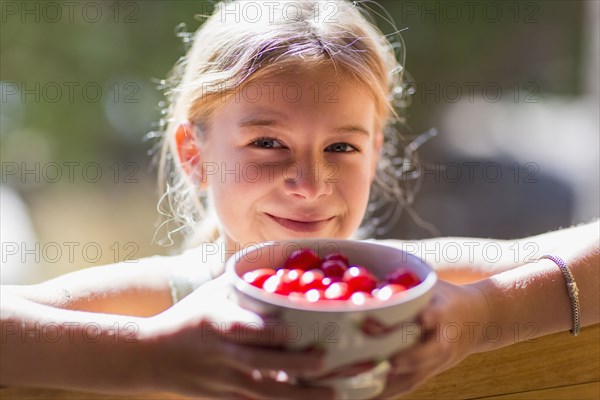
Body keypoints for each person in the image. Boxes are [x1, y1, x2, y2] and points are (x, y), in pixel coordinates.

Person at [1, 1, 598, 399]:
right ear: (194, 154)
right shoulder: (166, 301)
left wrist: (485, 317)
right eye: (267, 142)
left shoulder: (409, 286)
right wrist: (150, 355)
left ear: (377, 152)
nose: (310, 184)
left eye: (341, 146)